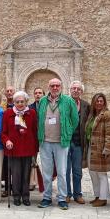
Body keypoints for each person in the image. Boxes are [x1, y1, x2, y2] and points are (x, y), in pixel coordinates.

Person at [37, 78, 79, 210]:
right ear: (48, 87)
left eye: (57, 85)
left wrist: (68, 132)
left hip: (61, 142)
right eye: (52, 85)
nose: (55, 88)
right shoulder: (43, 101)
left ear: (61, 87)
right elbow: (39, 118)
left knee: (61, 171)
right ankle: (47, 197)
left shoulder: (68, 101)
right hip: (45, 142)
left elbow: (75, 119)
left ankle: (62, 198)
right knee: (47, 172)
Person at [1, 91, 38, 206]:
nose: (20, 104)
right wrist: (7, 140)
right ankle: (16, 196)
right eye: (17, 102)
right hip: (13, 149)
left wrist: (36, 147)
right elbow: (3, 132)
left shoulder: (31, 113)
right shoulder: (8, 113)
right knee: (16, 174)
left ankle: (26, 196)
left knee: (26, 174)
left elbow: (35, 130)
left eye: (22, 101)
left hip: (28, 148)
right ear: (14, 102)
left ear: (26, 102)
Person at [83, 93, 110, 207]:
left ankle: (103, 198)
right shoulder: (92, 115)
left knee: (101, 174)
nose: (99, 103)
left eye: (101, 101)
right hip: (91, 148)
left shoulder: (107, 115)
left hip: (101, 149)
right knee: (93, 173)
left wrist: (107, 149)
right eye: (97, 101)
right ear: (93, 102)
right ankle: (97, 195)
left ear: (104, 102)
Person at [66, 80, 90, 204]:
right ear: (70, 90)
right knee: (65, 169)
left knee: (77, 170)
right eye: (74, 88)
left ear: (81, 91)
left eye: (78, 89)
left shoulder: (86, 105)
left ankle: (77, 194)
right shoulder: (63, 103)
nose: (76, 90)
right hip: (65, 142)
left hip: (78, 142)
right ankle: (67, 194)